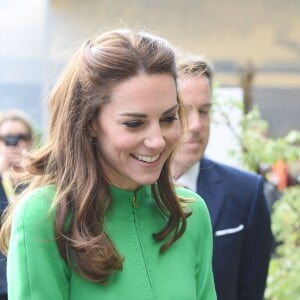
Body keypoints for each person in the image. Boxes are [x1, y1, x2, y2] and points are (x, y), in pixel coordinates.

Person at [0, 29, 216, 299]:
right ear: (89, 122)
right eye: (134, 123)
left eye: (168, 118)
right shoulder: (43, 219)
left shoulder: (190, 216)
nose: (157, 141)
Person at [170, 54, 273, 300]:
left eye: (204, 111)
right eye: (184, 110)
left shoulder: (247, 193)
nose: (196, 124)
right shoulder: (131, 192)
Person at [0, 109, 34, 300]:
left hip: (29, 278)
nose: (15, 144)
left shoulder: (42, 180)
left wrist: (30, 172)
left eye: (21, 137)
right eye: (7, 138)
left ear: (30, 141)